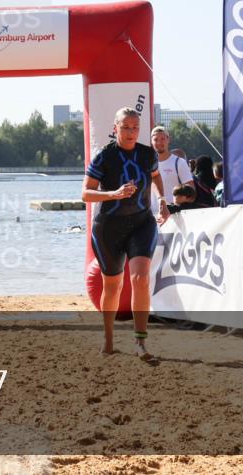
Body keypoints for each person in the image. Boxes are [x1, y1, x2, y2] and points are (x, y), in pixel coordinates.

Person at [83, 107, 170, 360]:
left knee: (140, 279)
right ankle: (109, 339)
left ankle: (140, 343)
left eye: (135, 127)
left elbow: (155, 177)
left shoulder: (147, 154)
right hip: (109, 227)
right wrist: (113, 194)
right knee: (113, 286)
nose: (131, 132)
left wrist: (162, 199)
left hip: (141, 223)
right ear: (115, 128)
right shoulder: (104, 156)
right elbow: (85, 193)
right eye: (125, 127)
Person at [150, 126, 193, 205]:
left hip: (173, 214)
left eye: (162, 139)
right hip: (151, 214)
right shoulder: (146, 164)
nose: (159, 142)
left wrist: (177, 205)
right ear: (151, 142)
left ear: (168, 140)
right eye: (155, 139)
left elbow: (191, 193)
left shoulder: (179, 163)